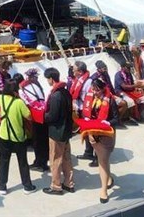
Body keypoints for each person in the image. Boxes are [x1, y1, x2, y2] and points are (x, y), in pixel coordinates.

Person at [80, 75, 116, 204]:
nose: (95, 92)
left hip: (106, 135)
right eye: (93, 90)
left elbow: (116, 119)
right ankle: (108, 179)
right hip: (93, 134)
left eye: (97, 90)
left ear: (103, 89)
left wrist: (108, 122)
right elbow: (85, 113)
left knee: (103, 161)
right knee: (103, 161)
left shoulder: (110, 100)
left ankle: (103, 190)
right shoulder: (90, 99)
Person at [0, 79, 37, 195]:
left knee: (4, 160)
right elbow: (28, 116)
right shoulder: (19, 102)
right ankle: (27, 186)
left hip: (4, 134)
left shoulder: (1, 98)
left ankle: (2, 186)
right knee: (22, 161)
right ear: (15, 91)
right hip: (18, 136)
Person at [42, 67, 74, 195]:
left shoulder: (55, 96)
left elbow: (52, 116)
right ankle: (69, 183)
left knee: (55, 159)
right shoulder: (66, 92)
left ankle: (56, 186)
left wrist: (42, 115)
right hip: (66, 130)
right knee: (66, 158)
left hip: (57, 131)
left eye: (47, 79)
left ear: (51, 79)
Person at [18, 68, 49, 171]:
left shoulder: (22, 90)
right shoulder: (37, 86)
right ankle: (42, 161)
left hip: (36, 116)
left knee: (37, 140)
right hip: (43, 112)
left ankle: (40, 163)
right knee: (43, 139)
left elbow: (26, 103)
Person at [68, 61, 98, 166]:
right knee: (85, 132)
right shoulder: (77, 81)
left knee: (92, 133)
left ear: (80, 72)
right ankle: (88, 152)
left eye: (74, 70)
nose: (73, 72)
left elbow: (90, 97)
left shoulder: (88, 82)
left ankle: (98, 157)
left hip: (88, 110)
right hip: (81, 109)